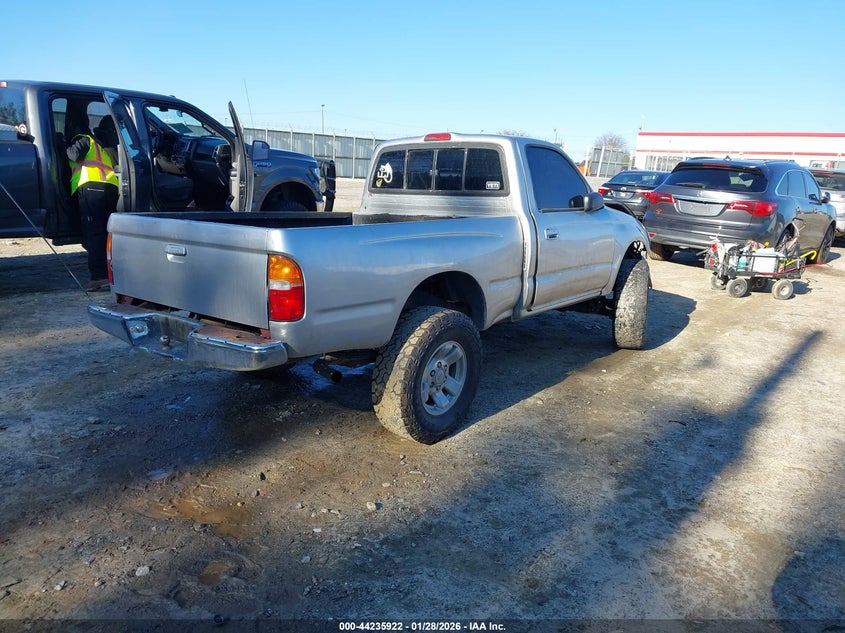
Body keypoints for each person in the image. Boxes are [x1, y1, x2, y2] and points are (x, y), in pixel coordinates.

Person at [66, 113, 119, 292]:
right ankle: (112, 271)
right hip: (109, 187)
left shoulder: (82, 138)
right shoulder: (101, 143)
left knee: (94, 234)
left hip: (92, 189)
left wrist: (62, 144)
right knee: (105, 233)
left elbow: (73, 155)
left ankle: (99, 277)